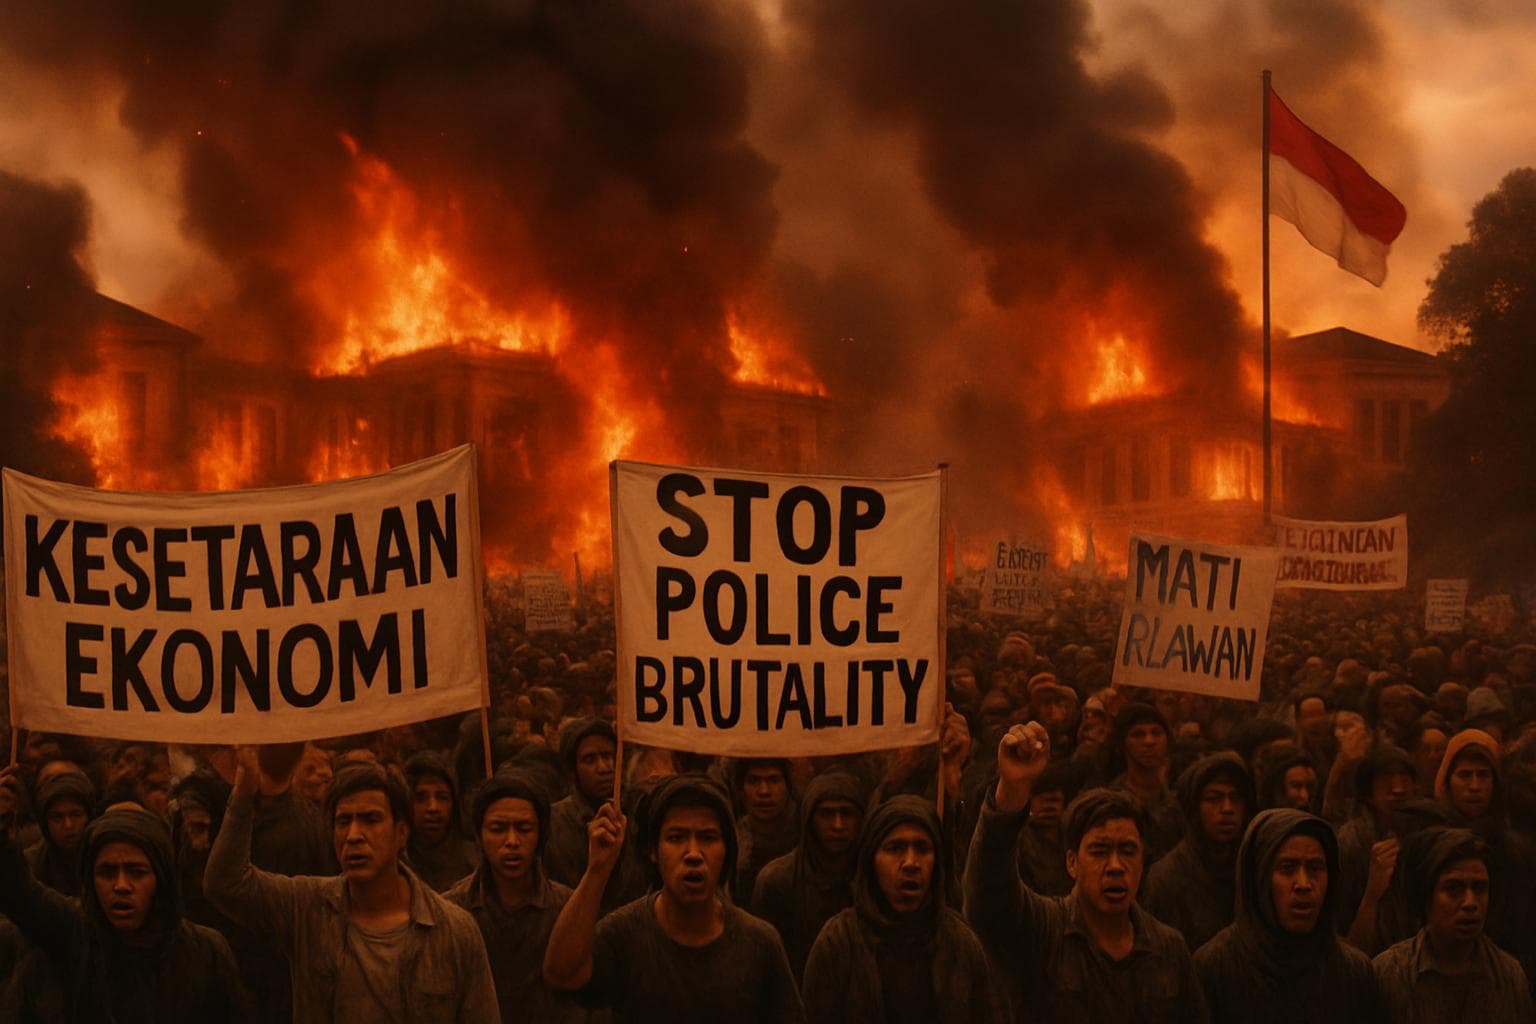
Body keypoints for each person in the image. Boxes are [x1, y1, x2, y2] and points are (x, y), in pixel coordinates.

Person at [204, 752, 499, 1023]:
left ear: (401, 832)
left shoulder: (455, 931)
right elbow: (225, 883)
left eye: (371, 819)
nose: (354, 835)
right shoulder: (306, 908)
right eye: (343, 821)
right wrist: (244, 793)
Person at [964, 721, 1207, 1023]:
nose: (1116, 866)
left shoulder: (1169, 949)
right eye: (1099, 851)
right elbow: (987, 894)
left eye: (1128, 851)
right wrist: (1012, 789)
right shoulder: (1042, 930)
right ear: (1072, 863)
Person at [543, 773, 804, 1021]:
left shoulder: (759, 942)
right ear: (653, 851)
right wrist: (597, 869)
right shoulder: (623, 933)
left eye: (708, 838)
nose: (693, 853)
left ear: (727, 851)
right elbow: (562, 975)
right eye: (676, 838)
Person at [0, 789, 250, 1022]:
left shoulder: (206, 952)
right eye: (107, 872)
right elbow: (20, 893)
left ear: (160, 878)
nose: (121, 885)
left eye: (136, 872)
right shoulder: (75, 934)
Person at [801, 795, 1002, 1024]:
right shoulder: (838, 942)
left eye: (922, 848)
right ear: (871, 859)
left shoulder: (961, 943)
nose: (910, 863)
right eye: (895, 848)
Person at [1193, 808, 1387, 1023]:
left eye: (1315, 868)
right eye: (1287, 868)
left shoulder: (1353, 972)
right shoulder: (1215, 968)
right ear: (1260, 878)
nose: (1303, 884)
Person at [446, 770, 579, 1023]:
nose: (512, 841)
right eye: (497, 829)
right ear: (479, 835)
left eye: (524, 828)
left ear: (541, 835)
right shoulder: (453, 911)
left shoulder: (567, 908)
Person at [1373, 827, 1533, 1022]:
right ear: (1427, 896)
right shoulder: (1390, 974)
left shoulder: (1509, 977)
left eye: (1479, 888)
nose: (1470, 903)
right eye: (1453, 889)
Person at [752, 770, 865, 978]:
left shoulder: (874, 877)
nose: (837, 825)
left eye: (847, 813)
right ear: (809, 819)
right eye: (827, 814)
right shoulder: (776, 880)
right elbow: (766, 963)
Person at [1141, 752, 1253, 951]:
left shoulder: (1253, 869)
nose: (1227, 808)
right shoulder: (1166, 879)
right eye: (1214, 798)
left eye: (1235, 798)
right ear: (1195, 808)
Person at [1104, 703, 1183, 865]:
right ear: (1122, 744)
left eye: (1156, 732)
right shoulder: (1112, 802)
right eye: (1138, 734)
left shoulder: (1180, 800)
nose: (1149, 741)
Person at [403, 751, 478, 891]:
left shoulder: (474, 863)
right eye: (421, 798)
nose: (433, 807)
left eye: (442, 797)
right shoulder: (395, 865)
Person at [735, 757, 800, 901]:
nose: (764, 791)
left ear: (788, 787)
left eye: (774, 780)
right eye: (753, 781)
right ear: (740, 790)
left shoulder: (807, 836)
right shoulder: (733, 840)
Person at [24, 770, 96, 897]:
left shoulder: (105, 855)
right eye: (57, 817)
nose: (68, 825)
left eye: (76, 814)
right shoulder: (31, 865)